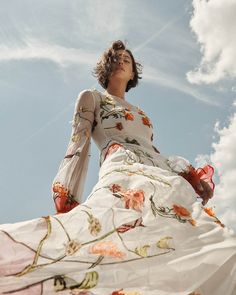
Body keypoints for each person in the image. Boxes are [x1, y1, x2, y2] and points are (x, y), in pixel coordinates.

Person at [0, 40, 235, 295]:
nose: (121, 61)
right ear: (106, 66)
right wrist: (67, 195)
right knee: (117, 227)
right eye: (116, 57)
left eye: (127, 59)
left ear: (133, 72)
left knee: (191, 232)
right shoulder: (92, 97)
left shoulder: (142, 114)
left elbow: (151, 149)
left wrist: (188, 174)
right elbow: (77, 145)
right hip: (122, 165)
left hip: (160, 171)